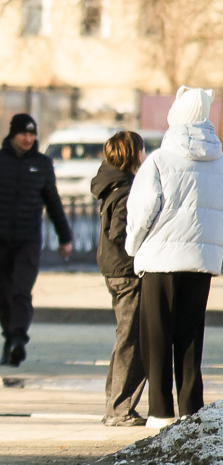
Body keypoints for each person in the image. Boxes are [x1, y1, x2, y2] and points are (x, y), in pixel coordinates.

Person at [125, 86, 223, 429]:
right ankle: (191, 409)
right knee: (190, 335)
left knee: (156, 335)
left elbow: (142, 211)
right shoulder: (219, 161)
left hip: (161, 258)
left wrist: (133, 246)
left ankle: (160, 410)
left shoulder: (159, 160)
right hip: (201, 260)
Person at [0, 113, 74, 366]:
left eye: (32, 134)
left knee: (21, 292)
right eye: (23, 133)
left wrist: (65, 237)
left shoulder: (42, 164)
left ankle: (18, 340)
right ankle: (10, 338)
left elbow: (54, 203)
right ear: (13, 134)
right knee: (3, 294)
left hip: (29, 241)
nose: (28, 138)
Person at [91, 131, 147, 427]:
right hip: (126, 271)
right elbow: (119, 233)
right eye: (142, 150)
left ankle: (114, 405)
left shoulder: (110, 182)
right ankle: (120, 409)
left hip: (113, 269)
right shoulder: (126, 188)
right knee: (132, 338)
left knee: (126, 336)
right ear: (133, 154)